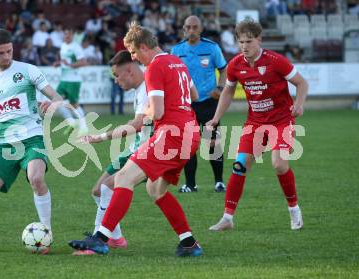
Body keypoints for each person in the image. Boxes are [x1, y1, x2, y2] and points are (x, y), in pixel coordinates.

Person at [69, 22, 203, 257]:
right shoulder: (177, 62)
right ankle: (189, 242)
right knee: (155, 189)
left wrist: (146, 114)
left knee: (122, 177)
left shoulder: (154, 67)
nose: (134, 58)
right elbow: (194, 95)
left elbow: (158, 113)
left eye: (133, 52)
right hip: (190, 134)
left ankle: (101, 239)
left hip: (170, 134)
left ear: (143, 46)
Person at [0, 28, 63, 254]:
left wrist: (52, 104)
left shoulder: (28, 71)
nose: (7, 56)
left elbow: (56, 97)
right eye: (1, 53)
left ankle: (46, 233)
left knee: (36, 178)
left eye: (9, 51)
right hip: (4, 145)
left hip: (32, 138)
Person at [206, 19, 308, 232]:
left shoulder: (275, 61)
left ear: (259, 40)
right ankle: (227, 218)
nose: (244, 46)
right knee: (240, 165)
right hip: (255, 122)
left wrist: (298, 104)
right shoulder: (235, 65)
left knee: (279, 164)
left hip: (282, 120)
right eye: (241, 41)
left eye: (249, 41)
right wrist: (216, 118)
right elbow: (228, 91)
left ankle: (294, 210)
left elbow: (301, 83)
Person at [72, 50, 153, 255]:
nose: (116, 81)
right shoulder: (140, 89)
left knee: (108, 188)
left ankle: (98, 241)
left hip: (147, 151)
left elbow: (135, 125)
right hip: (134, 147)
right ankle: (116, 238)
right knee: (98, 191)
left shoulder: (147, 89)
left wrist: (98, 138)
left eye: (117, 75)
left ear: (129, 69)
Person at [171, 15, 227, 193]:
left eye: (195, 27)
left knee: (213, 143)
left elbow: (224, 69)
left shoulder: (212, 47)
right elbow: (172, 76)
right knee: (189, 146)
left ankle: (219, 182)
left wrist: (220, 87)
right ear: (184, 29)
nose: (192, 31)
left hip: (210, 103)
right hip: (187, 105)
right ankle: (190, 184)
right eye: (188, 27)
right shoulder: (176, 50)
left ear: (201, 29)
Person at [54, 28, 89, 136]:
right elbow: (65, 60)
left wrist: (70, 65)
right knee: (56, 100)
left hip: (73, 80)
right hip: (64, 79)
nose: (67, 36)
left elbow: (83, 62)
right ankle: (72, 122)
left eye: (69, 34)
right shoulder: (63, 46)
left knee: (74, 105)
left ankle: (84, 128)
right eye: (66, 34)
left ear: (72, 36)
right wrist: (59, 63)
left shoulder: (76, 47)